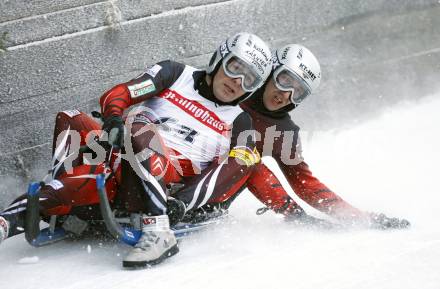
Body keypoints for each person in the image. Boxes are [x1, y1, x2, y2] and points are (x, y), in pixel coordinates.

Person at [0, 32, 273, 268]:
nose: (237, 81)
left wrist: (185, 203)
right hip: (120, 159)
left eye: (249, 80)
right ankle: (29, 215)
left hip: (165, 183)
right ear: (219, 59)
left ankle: (159, 229)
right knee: (71, 117)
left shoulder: (239, 120)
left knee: (242, 153)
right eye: (235, 67)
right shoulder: (175, 73)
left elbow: (245, 169)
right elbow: (118, 94)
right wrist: (114, 119)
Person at [173, 44, 410, 230]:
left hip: (206, 195)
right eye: (285, 80)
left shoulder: (284, 132)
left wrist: (359, 218)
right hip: (171, 161)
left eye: (298, 91)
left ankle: (190, 206)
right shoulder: (232, 88)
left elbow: (304, 183)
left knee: (248, 158)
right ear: (270, 72)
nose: (285, 95)